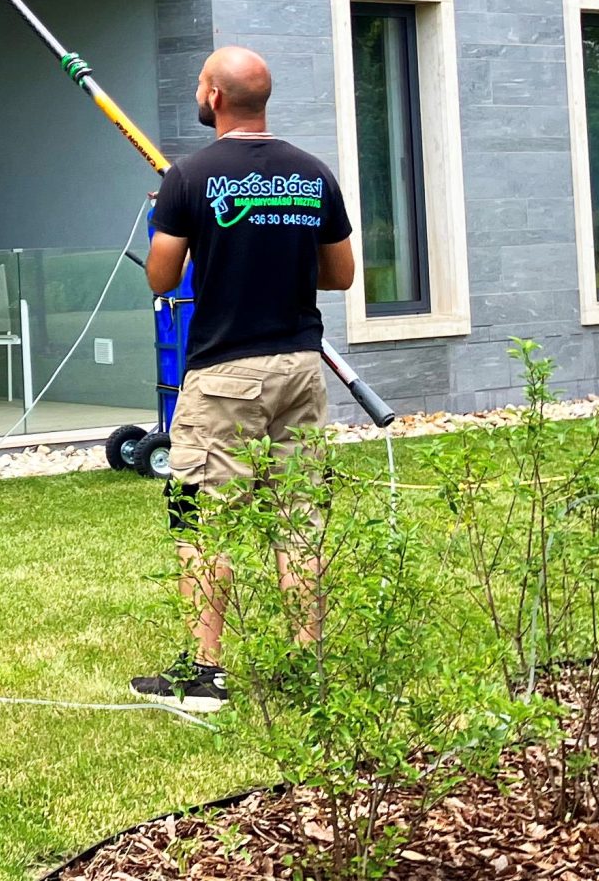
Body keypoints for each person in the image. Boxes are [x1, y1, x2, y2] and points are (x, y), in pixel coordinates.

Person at [128, 45, 355, 713]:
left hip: (226, 371)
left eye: (201, 83)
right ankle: (304, 668)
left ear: (216, 96)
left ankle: (204, 675)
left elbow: (161, 278)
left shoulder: (190, 177)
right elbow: (340, 274)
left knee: (203, 517)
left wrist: (178, 222)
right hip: (301, 368)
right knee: (298, 516)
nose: (198, 92)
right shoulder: (312, 173)